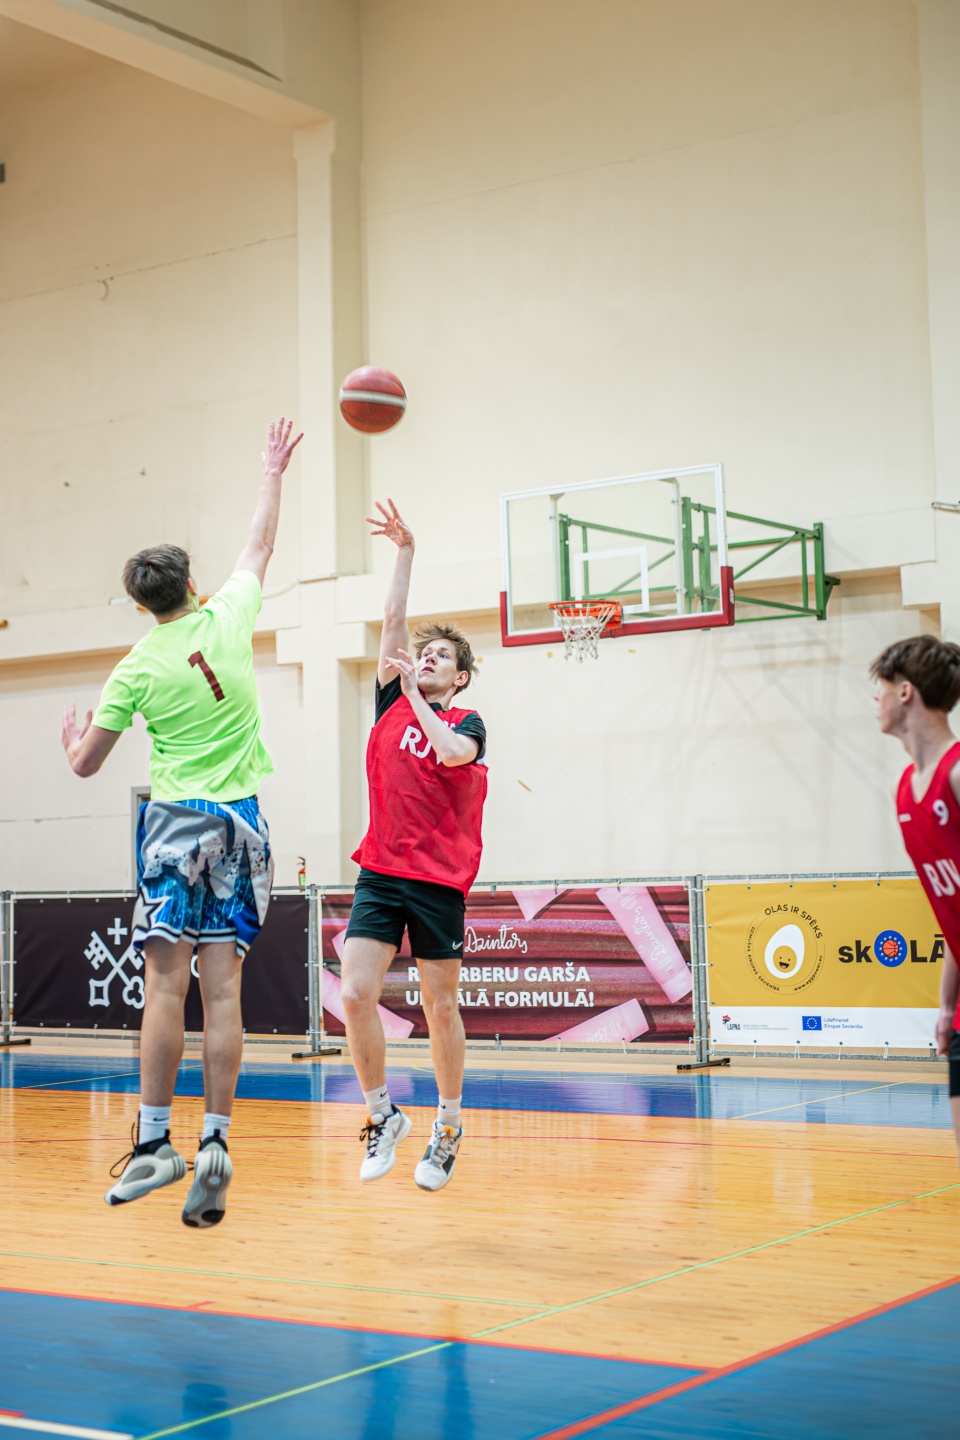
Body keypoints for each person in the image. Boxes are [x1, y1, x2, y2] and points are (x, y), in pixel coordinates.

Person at [60, 417, 302, 1224]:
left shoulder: (135, 667)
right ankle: (218, 1140)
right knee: (223, 992)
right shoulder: (228, 614)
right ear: (194, 584)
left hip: (174, 825)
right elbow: (259, 544)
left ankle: (156, 1144)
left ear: (141, 604)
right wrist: (272, 470)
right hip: (242, 824)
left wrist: (71, 741)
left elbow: (87, 763)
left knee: (165, 986)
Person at [341, 499, 488, 1191]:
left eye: (441, 657)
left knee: (439, 1007)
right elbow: (393, 617)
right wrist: (404, 551)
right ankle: (383, 1115)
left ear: (458, 677)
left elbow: (455, 754)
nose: (426, 657)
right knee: (354, 995)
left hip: (436, 880)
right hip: (380, 870)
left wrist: (419, 698)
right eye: (423, 653)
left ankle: (448, 1125)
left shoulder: (466, 719)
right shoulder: (389, 699)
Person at [873, 633, 960, 1162]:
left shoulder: (958, 773)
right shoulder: (902, 789)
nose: (875, 699)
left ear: (905, 692)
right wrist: (946, 1006)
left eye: (880, 688)